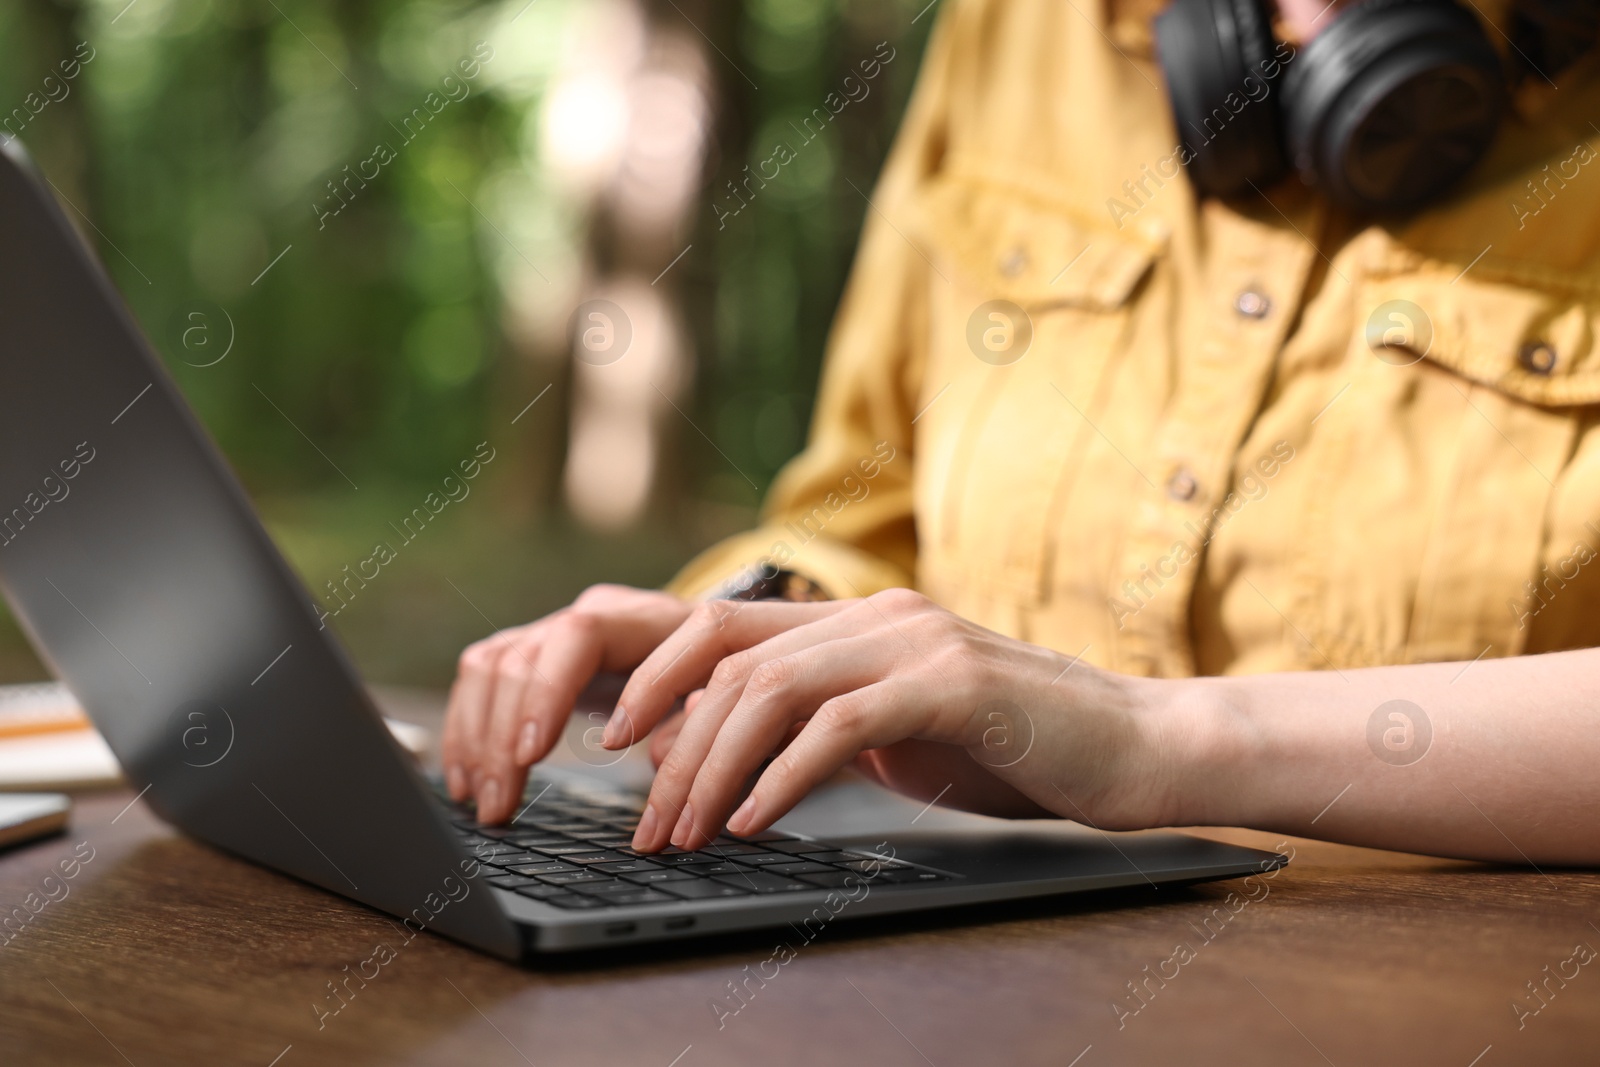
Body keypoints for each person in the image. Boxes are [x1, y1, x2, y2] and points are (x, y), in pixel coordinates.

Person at [443, 0, 1600, 866]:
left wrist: (1154, 738)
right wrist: (759, 630)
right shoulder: (1016, 28)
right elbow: (864, 504)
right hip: (987, 967)